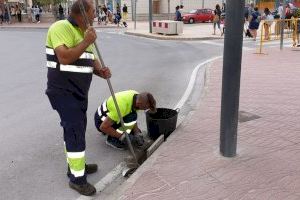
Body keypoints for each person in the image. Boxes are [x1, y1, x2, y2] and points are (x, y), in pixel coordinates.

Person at [45, 0, 111, 196]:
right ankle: (77, 179)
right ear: (81, 14)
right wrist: (86, 41)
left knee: (76, 131)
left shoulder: (85, 34)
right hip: (63, 91)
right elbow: (64, 57)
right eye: (92, 13)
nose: (94, 17)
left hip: (79, 92)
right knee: (74, 131)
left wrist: (101, 71)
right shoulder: (60, 27)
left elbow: (89, 62)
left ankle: (75, 166)